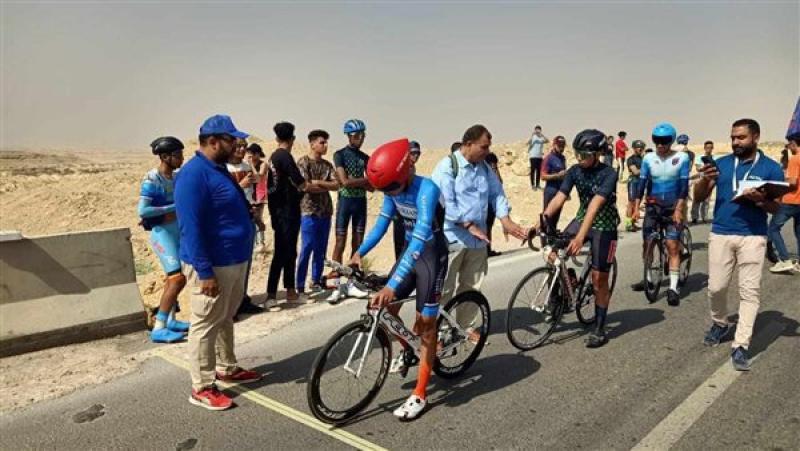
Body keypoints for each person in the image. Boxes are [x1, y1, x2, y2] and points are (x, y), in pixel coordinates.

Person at [348, 138, 448, 421]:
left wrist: (392, 285)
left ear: (406, 171)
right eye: (384, 189)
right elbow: (381, 224)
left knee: (425, 325)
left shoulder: (427, 189)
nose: (389, 193)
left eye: (391, 187)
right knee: (387, 310)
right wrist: (359, 252)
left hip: (431, 255)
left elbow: (420, 236)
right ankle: (410, 350)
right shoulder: (392, 188)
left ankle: (420, 394)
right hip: (409, 253)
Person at [175, 114, 261, 411]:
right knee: (205, 323)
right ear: (213, 141)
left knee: (225, 316)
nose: (237, 145)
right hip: (213, 265)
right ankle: (202, 386)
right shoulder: (193, 175)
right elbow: (190, 228)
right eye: (231, 140)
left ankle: (227, 367)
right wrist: (205, 272)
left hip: (234, 260)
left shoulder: (219, 169)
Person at [694, 118, 784, 371]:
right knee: (716, 288)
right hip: (721, 233)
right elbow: (699, 197)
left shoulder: (771, 168)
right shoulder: (721, 164)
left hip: (753, 236)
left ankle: (741, 345)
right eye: (733, 137)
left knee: (749, 292)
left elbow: (776, 209)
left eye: (741, 137)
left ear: (755, 137)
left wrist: (760, 200)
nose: (735, 142)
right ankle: (720, 323)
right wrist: (705, 180)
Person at [432, 125, 528, 335]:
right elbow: (445, 203)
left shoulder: (484, 168)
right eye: (484, 147)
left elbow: (497, 193)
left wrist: (505, 219)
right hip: (452, 239)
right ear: (468, 144)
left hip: (478, 239)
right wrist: (468, 224)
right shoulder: (447, 167)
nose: (487, 151)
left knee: (472, 286)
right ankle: (440, 332)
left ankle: (465, 328)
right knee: (444, 288)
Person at [534, 129, 620, 348]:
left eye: (584, 155)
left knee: (599, 279)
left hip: (604, 225)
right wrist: (541, 221)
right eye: (577, 154)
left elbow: (595, 206)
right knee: (552, 251)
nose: (579, 158)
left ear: (597, 154)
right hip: (581, 219)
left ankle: (599, 328)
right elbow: (559, 197)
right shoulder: (574, 171)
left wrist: (581, 237)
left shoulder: (609, 173)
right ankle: (567, 285)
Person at [631, 123, 691, 307]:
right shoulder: (648, 158)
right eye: (656, 141)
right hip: (653, 207)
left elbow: (684, 187)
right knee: (647, 243)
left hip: (673, 207)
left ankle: (673, 288)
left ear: (671, 141)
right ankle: (649, 278)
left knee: (672, 246)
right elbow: (641, 184)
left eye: (664, 141)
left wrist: (679, 209)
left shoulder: (682, 158)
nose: (660, 144)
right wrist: (635, 207)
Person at [138, 136, 190, 343]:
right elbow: (143, 210)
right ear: (165, 156)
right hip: (163, 234)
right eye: (178, 155)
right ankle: (159, 327)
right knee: (177, 279)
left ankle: (171, 319)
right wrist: (174, 207)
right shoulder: (152, 179)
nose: (181, 158)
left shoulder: (176, 177)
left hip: (177, 231)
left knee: (177, 278)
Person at [266, 122, 307, 310]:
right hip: (287, 211)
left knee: (288, 251)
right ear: (292, 139)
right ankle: (272, 295)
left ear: (277, 138)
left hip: (277, 211)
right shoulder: (285, 157)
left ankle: (290, 291)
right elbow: (300, 182)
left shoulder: (273, 157)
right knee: (283, 252)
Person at [296, 130, 339, 296]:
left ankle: (315, 280)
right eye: (322, 142)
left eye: (326, 142)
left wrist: (319, 182)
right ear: (312, 144)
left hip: (325, 212)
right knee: (306, 248)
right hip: (309, 211)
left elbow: (337, 185)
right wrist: (324, 186)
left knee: (321, 249)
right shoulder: (303, 162)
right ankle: (300, 285)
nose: (325, 145)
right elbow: (306, 186)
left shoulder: (327, 165)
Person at [227, 138, 263, 316]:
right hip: (230, 220)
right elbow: (221, 196)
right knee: (231, 264)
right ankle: (229, 305)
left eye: (244, 146)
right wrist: (239, 186)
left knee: (246, 263)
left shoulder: (247, 167)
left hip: (247, 217)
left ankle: (242, 299)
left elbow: (253, 193)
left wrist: (257, 217)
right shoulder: (223, 169)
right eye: (238, 146)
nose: (241, 149)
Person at [332, 119, 371, 267]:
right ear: (349, 136)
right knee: (340, 241)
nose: (360, 139)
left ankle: (353, 273)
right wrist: (364, 181)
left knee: (358, 242)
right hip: (345, 201)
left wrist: (354, 180)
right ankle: (335, 273)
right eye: (356, 135)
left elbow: (372, 186)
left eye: (362, 135)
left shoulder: (365, 158)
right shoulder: (339, 155)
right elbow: (344, 181)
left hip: (360, 202)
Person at [767, 134, 800, 273]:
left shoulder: (795, 159)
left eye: (789, 144)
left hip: (791, 200)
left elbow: (792, 183)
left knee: (773, 228)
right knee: (798, 232)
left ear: (793, 143)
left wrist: (779, 183)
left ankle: (785, 259)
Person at [393, 140, 422, 259]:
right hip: (399, 209)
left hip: (409, 210)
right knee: (400, 246)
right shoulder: (400, 167)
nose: (415, 156)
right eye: (412, 153)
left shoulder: (412, 168)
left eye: (418, 153)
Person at [540, 136, 568, 227]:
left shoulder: (563, 158)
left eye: (563, 146)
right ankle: (544, 234)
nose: (561, 148)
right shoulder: (548, 158)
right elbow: (543, 176)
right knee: (547, 216)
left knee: (556, 217)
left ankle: (553, 234)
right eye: (559, 146)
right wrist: (557, 176)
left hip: (560, 191)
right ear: (554, 145)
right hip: (550, 191)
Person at [246, 143, 268, 248]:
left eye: (252, 153)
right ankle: (254, 243)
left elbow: (259, 177)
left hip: (259, 194)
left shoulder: (263, 164)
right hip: (250, 194)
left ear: (258, 154)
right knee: (251, 219)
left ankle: (261, 242)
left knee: (258, 218)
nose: (250, 156)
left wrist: (251, 165)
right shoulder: (247, 164)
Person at [691, 141, 715, 224]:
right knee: (697, 199)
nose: (709, 149)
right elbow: (698, 169)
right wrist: (706, 167)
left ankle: (704, 217)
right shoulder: (699, 158)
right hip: (700, 180)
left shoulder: (714, 158)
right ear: (704, 148)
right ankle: (694, 217)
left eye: (710, 147)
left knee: (706, 200)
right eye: (707, 147)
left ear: (712, 148)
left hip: (710, 180)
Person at [624, 140, 646, 232]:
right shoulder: (631, 159)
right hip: (633, 181)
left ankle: (633, 223)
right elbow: (635, 172)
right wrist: (646, 168)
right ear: (634, 148)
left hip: (641, 182)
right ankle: (628, 224)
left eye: (641, 147)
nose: (640, 149)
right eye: (638, 147)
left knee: (637, 203)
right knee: (631, 202)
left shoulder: (643, 159)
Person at [485, 151, 503, 257]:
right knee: (486, 227)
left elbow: (500, 181)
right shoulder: (483, 173)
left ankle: (488, 248)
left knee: (488, 227)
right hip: (485, 203)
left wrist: (496, 170)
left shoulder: (491, 171)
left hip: (491, 203)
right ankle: (486, 249)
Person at [527, 125, 549, 191]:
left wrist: (542, 135)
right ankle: (533, 185)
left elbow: (547, 141)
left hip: (539, 157)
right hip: (533, 156)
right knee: (533, 171)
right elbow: (527, 143)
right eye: (536, 129)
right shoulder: (533, 137)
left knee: (539, 171)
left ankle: (538, 184)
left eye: (539, 129)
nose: (537, 131)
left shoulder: (541, 138)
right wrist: (532, 135)